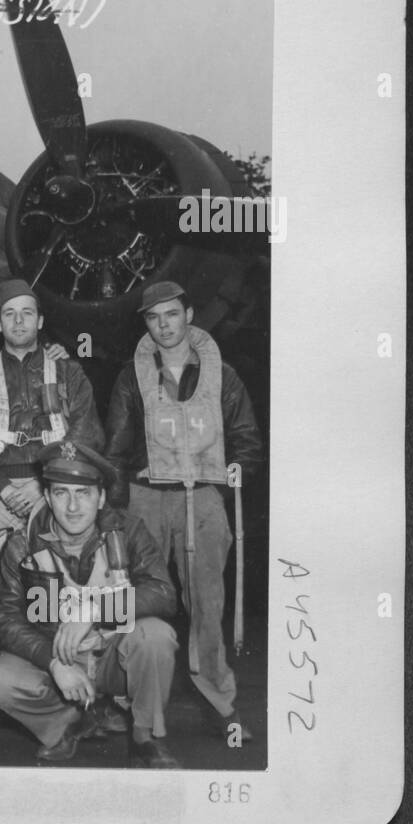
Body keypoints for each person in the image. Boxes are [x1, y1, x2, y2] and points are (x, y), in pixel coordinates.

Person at [105, 280, 263, 741]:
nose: (164, 325)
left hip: (202, 497)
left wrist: (232, 474)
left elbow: (247, 439)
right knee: (133, 597)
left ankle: (219, 701)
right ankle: (129, 700)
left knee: (207, 604)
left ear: (189, 315)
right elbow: (116, 448)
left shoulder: (221, 374)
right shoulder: (130, 376)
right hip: (145, 495)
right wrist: (115, 511)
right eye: (153, 318)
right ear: (146, 324)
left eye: (171, 314)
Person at [0, 440, 181, 767]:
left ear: (100, 498)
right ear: (48, 497)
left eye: (84, 493)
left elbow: (163, 593)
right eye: (62, 493)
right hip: (59, 653)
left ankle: (145, 737)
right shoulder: (23, 544)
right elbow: (3, 619)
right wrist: (52, 662)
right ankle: (68, 724)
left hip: (112, 654)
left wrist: (96, 610)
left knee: (156, 637)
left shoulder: (128, 531)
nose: (73, 507)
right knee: (0, 682)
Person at [0, 278, 103, 572]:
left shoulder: (69, 372)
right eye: (10, 314)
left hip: (57, 489)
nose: (18, 321)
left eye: (27, 313)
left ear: (40, 320)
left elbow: (87, 432)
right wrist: (3, 489)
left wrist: (47, 484)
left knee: (66, 579)